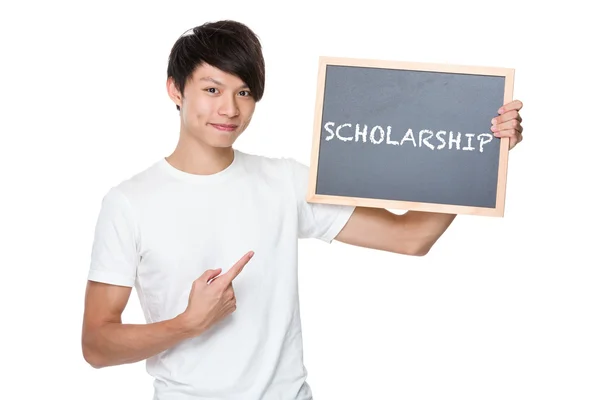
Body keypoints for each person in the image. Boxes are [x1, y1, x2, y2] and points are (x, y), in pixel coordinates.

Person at [81, 19, 524, 400]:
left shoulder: (285, 181)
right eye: (212, 89)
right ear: (175, 89)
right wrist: (187, 323)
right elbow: (97, 344)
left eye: (244, 92)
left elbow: (410, 237)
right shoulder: (129, 203)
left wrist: (484, 152)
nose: (230, 109)